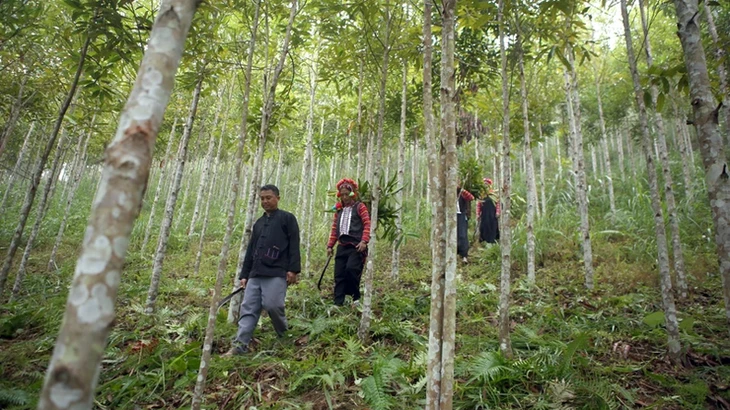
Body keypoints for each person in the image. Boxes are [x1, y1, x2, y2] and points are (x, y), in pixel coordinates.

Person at [224, 184, 300, 356]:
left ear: (278, 198)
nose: (265, 201)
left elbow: (294, 244)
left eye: (268, 198)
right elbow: (251, 250)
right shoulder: (258, 223)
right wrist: (245, 275)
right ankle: (240, 345)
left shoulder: (287, 219)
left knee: (273, 305)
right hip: (255, 274)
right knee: (248, 308)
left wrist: (293, 270)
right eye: (262, 198)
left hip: (277, 272)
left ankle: (284, 334)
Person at [326, 178, 371, 306]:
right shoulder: (339, 210)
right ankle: (338, 302)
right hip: (342, 246)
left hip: (356, 246)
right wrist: (330, 245)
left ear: (352, 193)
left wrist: (364, 241)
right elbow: (335, 229)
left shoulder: (360, 207)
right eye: (342, 194)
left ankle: (355, 297)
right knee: (339, 274)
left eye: (347, 194)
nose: (345, 197)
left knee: (351, 269)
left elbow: (367, 224)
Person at [478, 178, 500, 244]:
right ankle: (484, 241)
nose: (485, 185)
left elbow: (498, 204)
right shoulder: (482, 195)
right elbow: (479, 205)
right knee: (484, 226)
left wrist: (498, 212)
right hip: (484, 215)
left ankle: (492, 241)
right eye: (484, 184)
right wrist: (478, 214)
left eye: (487, 184)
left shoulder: (494, 195)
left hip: (492, 214)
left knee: (493, 226)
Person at [457, 185, 475, 263]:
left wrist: (462, 191)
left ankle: (464, 255)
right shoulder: (447, 192)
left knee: (462, 235)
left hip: (461, 215)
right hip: (450, 216)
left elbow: (471, 198)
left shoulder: (462, 193)